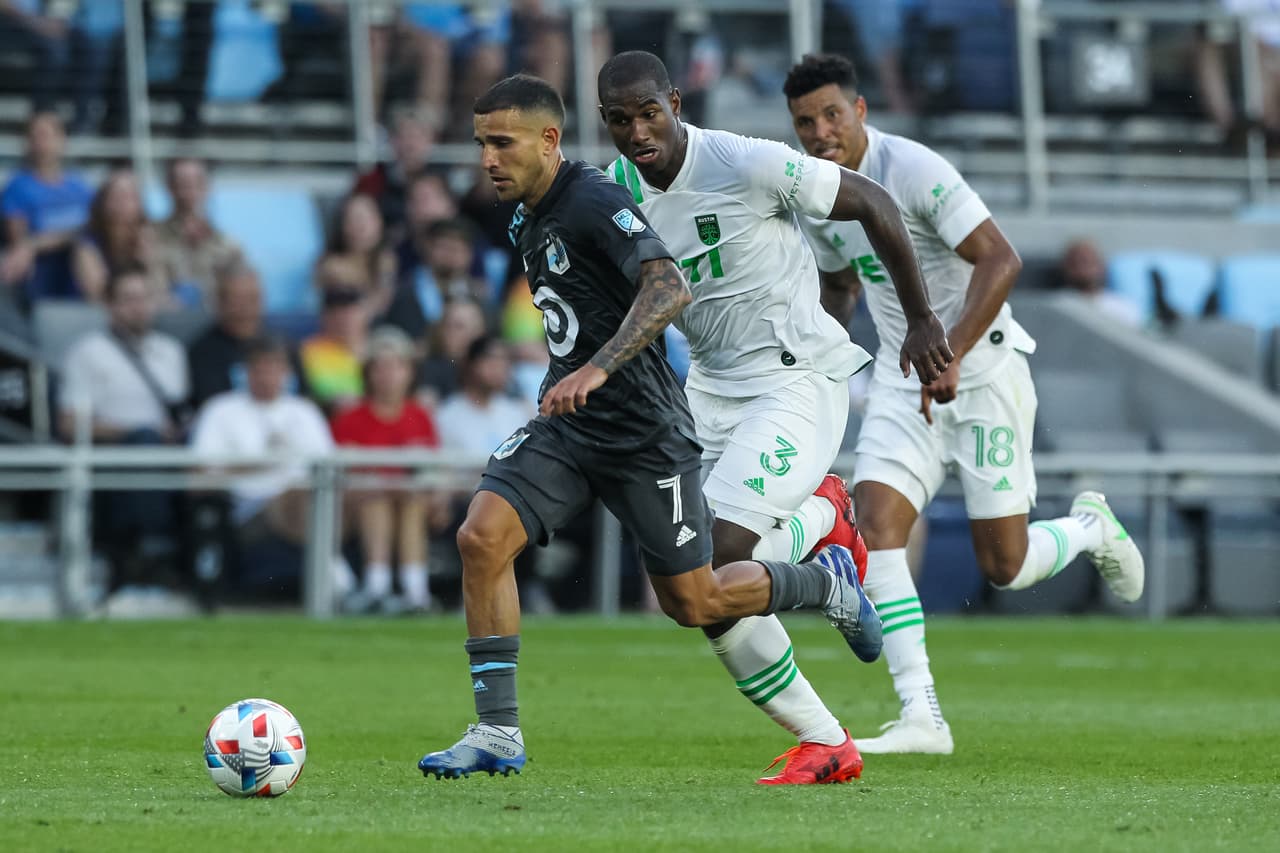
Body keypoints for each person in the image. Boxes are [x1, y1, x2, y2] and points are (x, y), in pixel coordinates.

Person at [417, 74, 882, 784]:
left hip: (644, 432)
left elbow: (668, 284)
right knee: (481, 535)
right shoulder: (521, 213)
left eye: (501, 142)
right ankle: (497, 730)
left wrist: (598, 367)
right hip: (569, 423)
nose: (487, 158)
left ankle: (821, 583)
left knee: (695, 601)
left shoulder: (596, 198)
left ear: (548, 140)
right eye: (481, 142)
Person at [595, 50, 951, 784]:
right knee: (689, 596)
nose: (638, 131)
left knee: (716, 561)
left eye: (649, 113)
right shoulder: (618, 191)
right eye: (620, 120)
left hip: (796, 382)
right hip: (710, 397)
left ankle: (825, 542)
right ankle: (825, 738)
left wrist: (917, 320)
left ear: (676, 101)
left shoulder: (746, 161)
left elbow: (875, 204)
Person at [783, 53, 1146, 754]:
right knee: (876, 525)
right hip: (901, 381)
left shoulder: (914, 169)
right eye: (805, 122)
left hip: (984, 375)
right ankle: (921, 715)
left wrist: (946, 351)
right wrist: (816, 359)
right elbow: (841, 286)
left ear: (860, 111)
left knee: (1004, 566)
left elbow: (1000, 258)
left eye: (832, 114)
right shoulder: (817, 195)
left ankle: (1091, 528)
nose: (821, 131)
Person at [190, 334, 354, 598]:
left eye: (274, 369)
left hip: (315, 500)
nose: (266, 377)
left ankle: (380, 583)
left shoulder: (305, 411)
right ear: (244, 373)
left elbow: (329, 467)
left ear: (286, 373)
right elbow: (198, 477)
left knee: (351, 496)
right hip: (250, 508)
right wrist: (258, 466)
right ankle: (338, 573)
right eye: (259, 369)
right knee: (303, 497)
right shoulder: (221, 410)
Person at [59, 265, 190, 590]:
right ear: (109, 305)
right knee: (143, 440)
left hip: (166, 456)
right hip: (110, 458)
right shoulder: (87, 352)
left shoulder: (172, 352)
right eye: (129, 299)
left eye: (145, 297)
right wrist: (132, 433)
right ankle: (147, 547)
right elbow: (68, 422)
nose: (139, 306)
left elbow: (181, 411)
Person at [332, 326, 441, 614]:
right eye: (380, 367)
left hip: (411, 501)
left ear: (409, 372)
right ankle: (377, 587)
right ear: (368, 373)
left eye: (396, 367)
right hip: (360, 503)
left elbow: (431, 467)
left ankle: (416, 593)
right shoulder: (351, 418)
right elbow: (344, 471)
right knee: (376, 498)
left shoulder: (420, 416)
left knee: (411, 501)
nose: (388, 375)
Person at [0, 110, 93, 302]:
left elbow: (95, 229)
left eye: (48, 135)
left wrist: (39, 242)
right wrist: (69, 236)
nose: (42, 143)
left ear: (62, 140)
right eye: (35, 136)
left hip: (81, 267)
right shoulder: (17, 187)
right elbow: (19, 242)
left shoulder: (81, 187)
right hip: (42, 272)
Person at [382, 218, 492, 342]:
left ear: (470, 255)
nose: (451, 254)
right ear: (428, 248)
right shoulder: (403, 293)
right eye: (444, 247)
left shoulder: (481, 299)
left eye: (458, 248)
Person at [71, 169, 170, 305]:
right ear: (103, 202)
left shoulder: (149, 237)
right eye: (116, 196)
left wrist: (147, 260)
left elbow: (161, 291)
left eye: (129, 196)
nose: (122, 203)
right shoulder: (89, 243)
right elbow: (96, 295)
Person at [154, 158, 243, 309]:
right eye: (182, 183)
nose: (189, 191)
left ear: (207, 187)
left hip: (214, 323)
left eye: (197, 183)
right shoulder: (151, 238)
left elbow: (240, 290)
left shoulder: (227, 245)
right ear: (169, 187)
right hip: (167, 322)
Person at [315, 193, 397, 318]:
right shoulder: (330, 266)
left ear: (379, 223)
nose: (361, 227)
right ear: (343, 226)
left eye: (366, 219)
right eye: (354, 219)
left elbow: (382, 302)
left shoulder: (387, 260)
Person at [300, 285, 369, 415]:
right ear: (324, 317)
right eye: (335, 313)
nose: (343, 320)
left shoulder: (380, 348)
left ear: (364, 314)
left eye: (350, 312)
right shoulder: (309, 352)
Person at [1057, 239, 1141, 328]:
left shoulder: (1125, 309)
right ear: (1065, 268)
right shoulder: (1057, 306)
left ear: (1101, 266)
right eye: (1075, 263)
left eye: (1087, 261)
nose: (1082, 268)